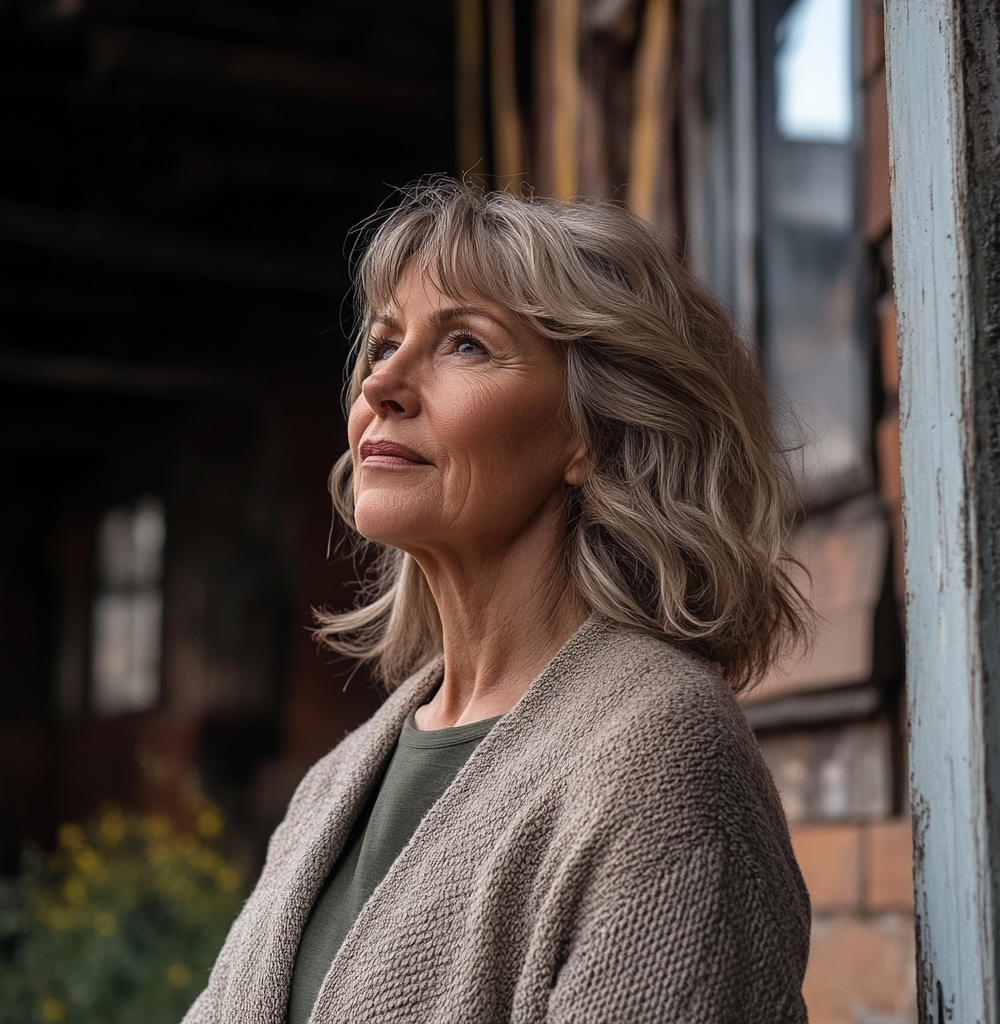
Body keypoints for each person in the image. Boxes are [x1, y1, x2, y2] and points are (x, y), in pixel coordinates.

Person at [183, 179, 813, 1024]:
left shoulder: (658, 755)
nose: (385, 386)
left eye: (466, 346)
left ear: (591, 432)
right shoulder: (336, 783)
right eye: (383, 344)